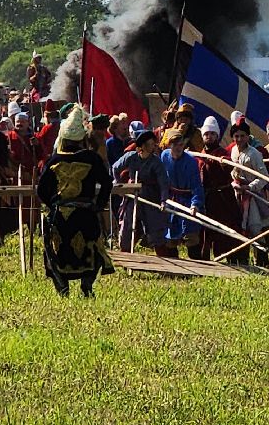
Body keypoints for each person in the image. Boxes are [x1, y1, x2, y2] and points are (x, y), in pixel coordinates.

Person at [36, 104, 114, 297]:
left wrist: (52, 205)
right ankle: (86, 287)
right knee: (92, 250)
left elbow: (41, 189)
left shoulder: (53, 160)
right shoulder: (92, 158)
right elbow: (107, 182)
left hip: (60, 215)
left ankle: (63, 289)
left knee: (56, 252)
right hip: (86, 213)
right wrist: (98, 205)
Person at [112, 129, 169, 252]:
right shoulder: (131, 157)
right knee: (128, 225)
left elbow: (163, 183)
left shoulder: (156, 162)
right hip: (133, 195)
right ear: (142, 146)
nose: (153, 146)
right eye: (150, 143)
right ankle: (126, 256)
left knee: (155, 228)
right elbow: (115, 168)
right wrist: (119, 183)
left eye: (154, 143)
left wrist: (164, 200)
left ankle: (162, 258)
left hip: (150, 197)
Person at [194, 116, 241, 260]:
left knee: (224, 230)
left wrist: (224, 162)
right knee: (205, 231)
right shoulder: (198, 155)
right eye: (206, 134)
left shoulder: (222, 153)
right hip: (206, 199)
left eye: (212, 134)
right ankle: (204, 260)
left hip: (223, 198)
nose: (209, 137)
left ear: (217, 135)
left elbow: (230, 167)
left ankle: (227, 259)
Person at [229, 121, 269, 265]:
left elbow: (263, 177)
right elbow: (234, 172)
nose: (239, 139)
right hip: (238, 195)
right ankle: (243, 260)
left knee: (255, 228)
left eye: (243, 136)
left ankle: (262, 262)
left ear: (248, 136)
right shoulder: (233, 151)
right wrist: (235, 181)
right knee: (240, 228)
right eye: (236, 136)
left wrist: (250, 187)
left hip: (253, 196)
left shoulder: (255, 154)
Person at [158, 128, 205, 258]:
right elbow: (163, 181)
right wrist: (163, 199)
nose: (178, 148)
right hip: (172, 200)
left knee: (191, 235)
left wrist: (195, 204)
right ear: (169, 145)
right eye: (175, 145)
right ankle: (177, 268)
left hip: (187, 200)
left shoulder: (190, 161)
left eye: (180, 144)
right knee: (170, 235)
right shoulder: (164, 156)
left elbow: (196, 185)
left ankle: (197, 265)